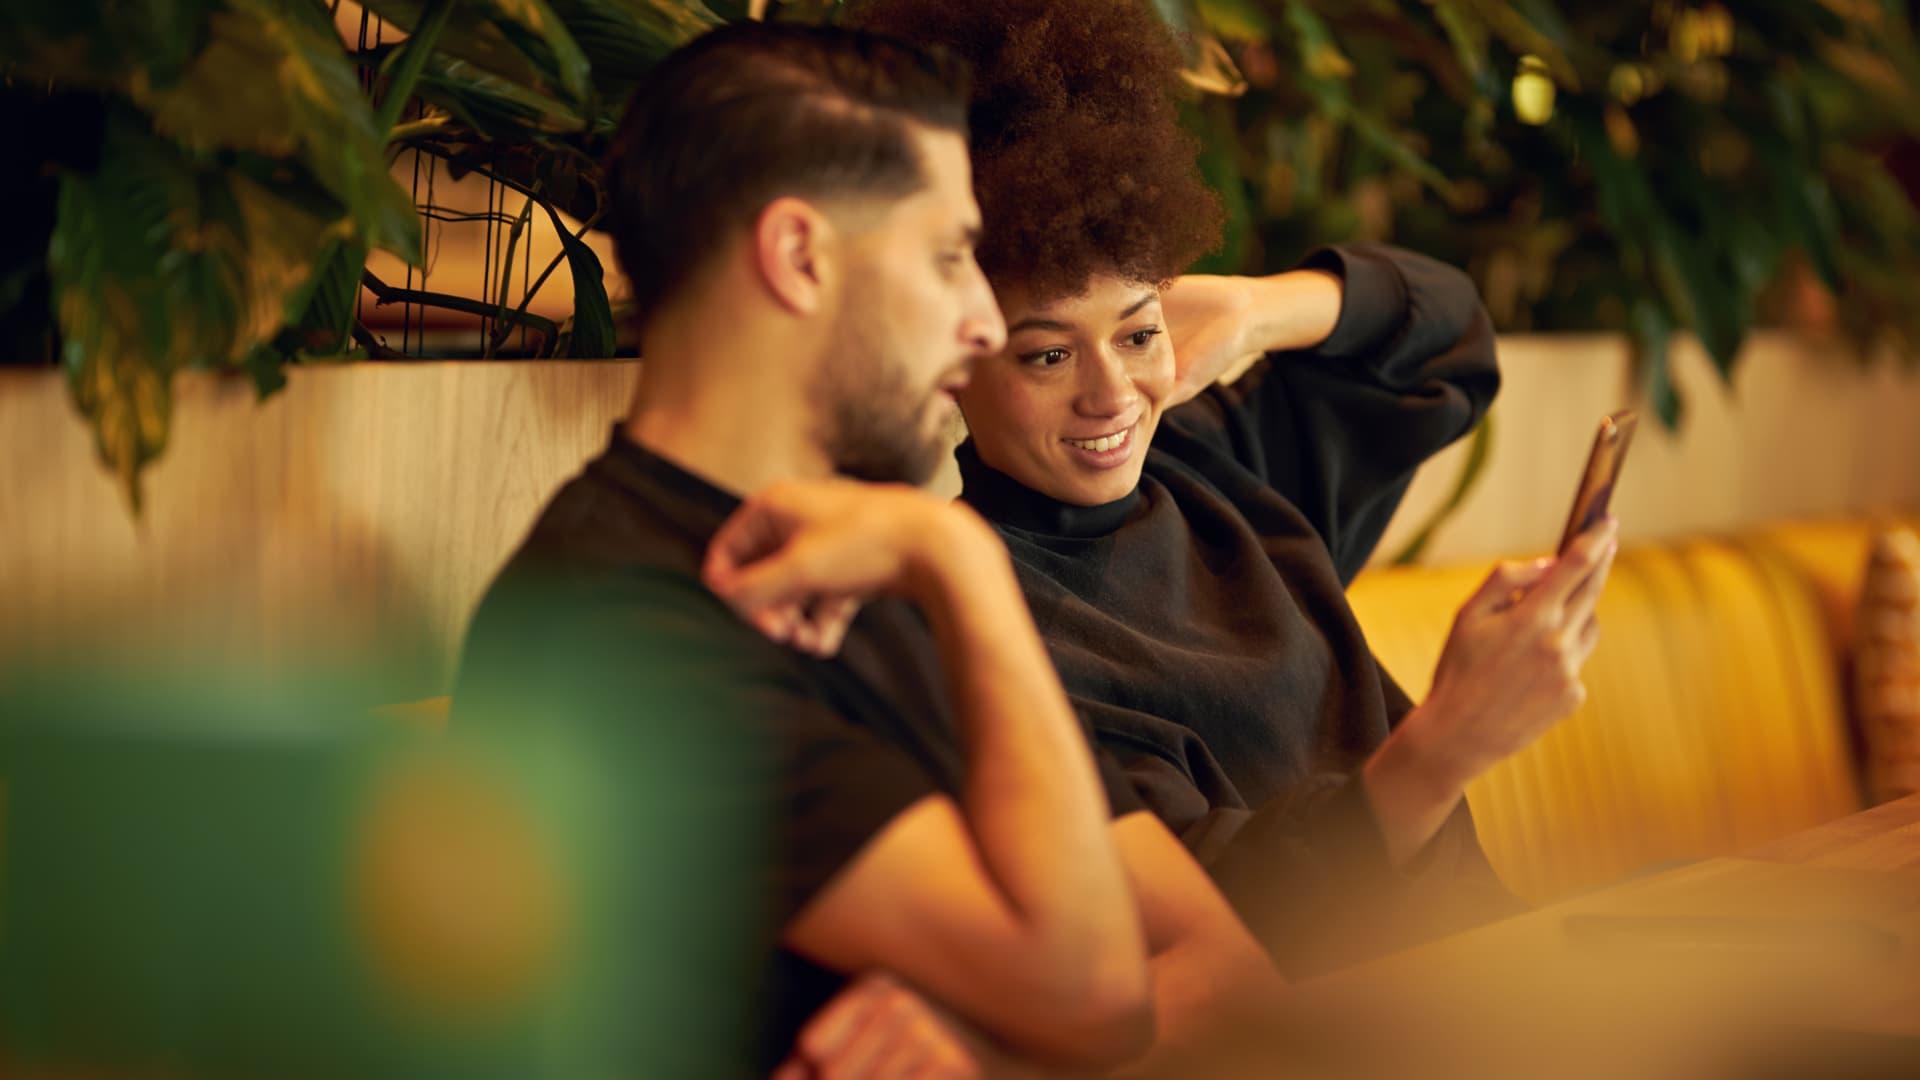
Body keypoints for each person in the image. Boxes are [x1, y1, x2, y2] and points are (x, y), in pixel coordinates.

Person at [453, 22, 1275, 1076]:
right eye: (947, 259)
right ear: (798, 257)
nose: (984, 321)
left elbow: (1227, 969)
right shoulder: (621, 624)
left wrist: (986, 1042)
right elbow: (1098, 995)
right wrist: (965, 565)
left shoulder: (874, 554)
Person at [847, 0, 1619, 971]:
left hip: (1520, 976)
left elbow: (1450, 345)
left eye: (1136, 332)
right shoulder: (975, 621)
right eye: (1046, 357)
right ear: (953, 358)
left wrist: (1255, 311)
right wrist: (1451, 743)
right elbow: (1223, 929)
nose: (1111, 396)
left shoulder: (1219, 463)